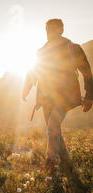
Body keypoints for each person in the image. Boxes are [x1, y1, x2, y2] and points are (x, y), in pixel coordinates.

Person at [23, 19, 92, 175]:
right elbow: (34, 71)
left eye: (53, 28)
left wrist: (89, 95)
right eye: (47, 29)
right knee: (54, 131)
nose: (49, 32)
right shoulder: (41, 51)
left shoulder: (73, 48)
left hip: (66, 96)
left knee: (53, 125)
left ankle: (50, 162)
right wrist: (26, 88)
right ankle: (68, 165)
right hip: (46, 98)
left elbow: (86, 71)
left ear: (61, 29)